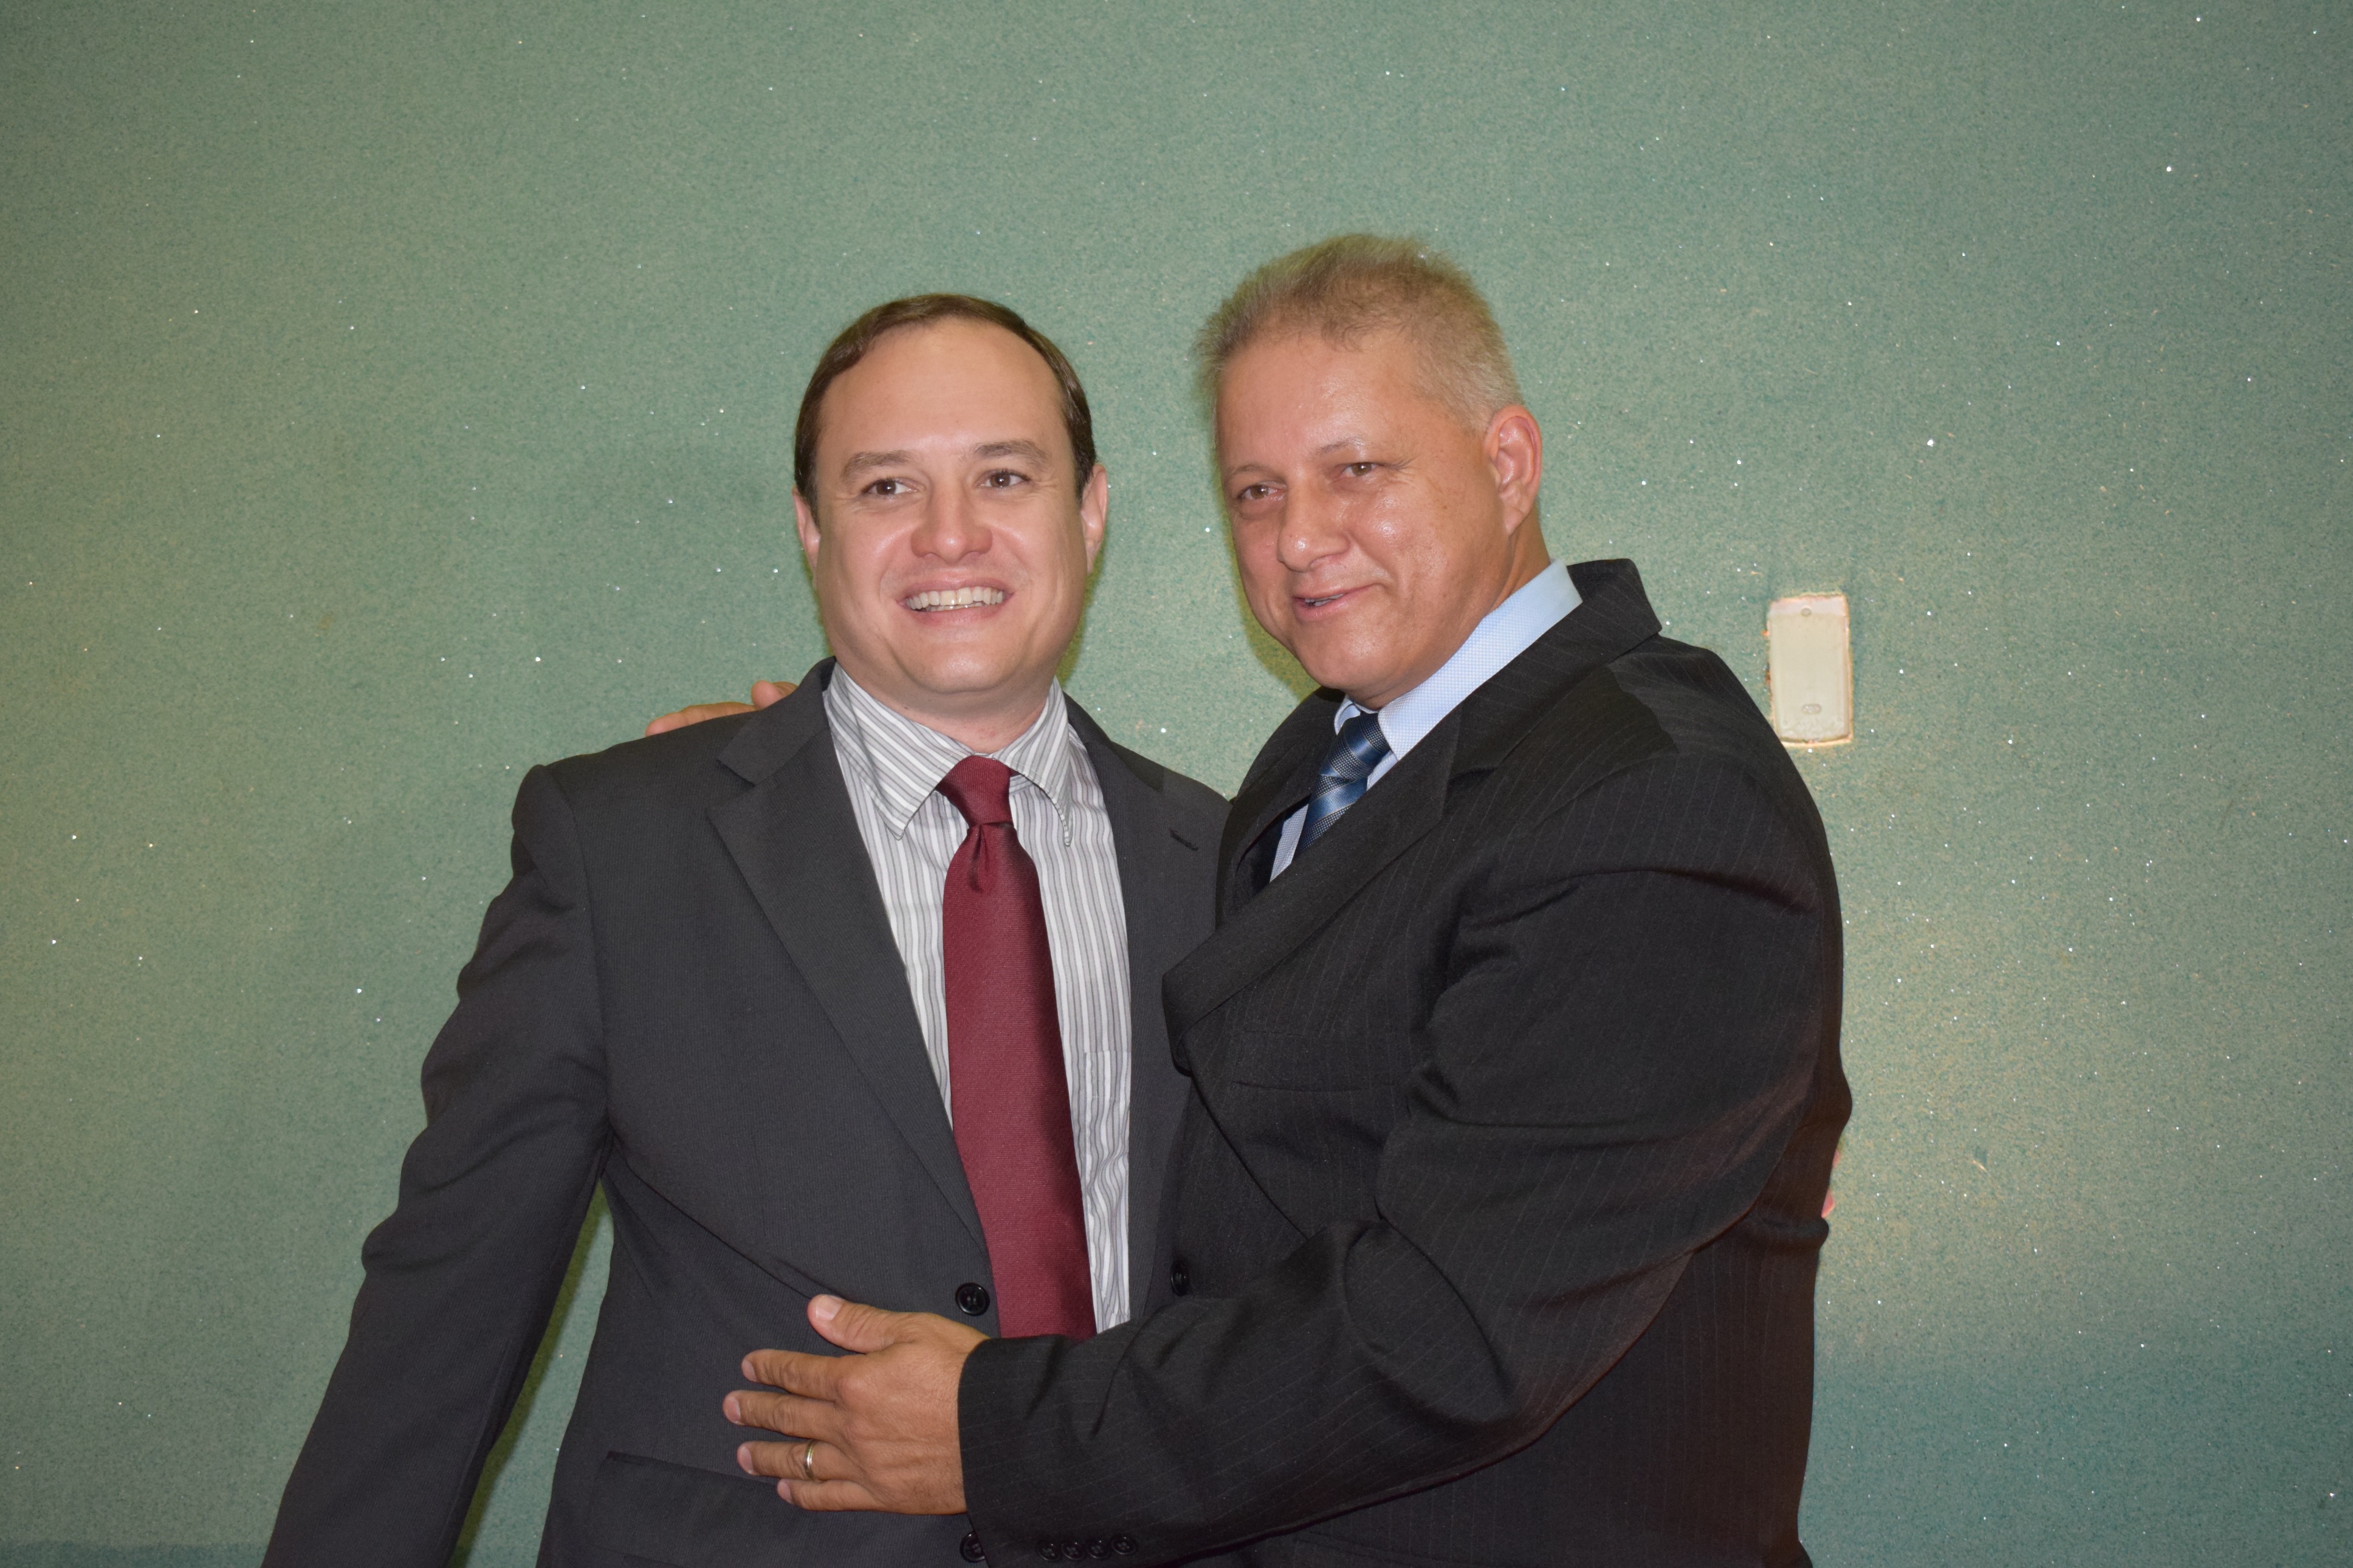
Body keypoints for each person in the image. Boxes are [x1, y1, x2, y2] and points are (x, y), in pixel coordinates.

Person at [710, 236, 1851, 1567]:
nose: (1300, 539)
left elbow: (1450, 1333)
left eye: (1356, 470)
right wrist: (805, 781)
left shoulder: (1651, 801)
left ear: (1507, 462)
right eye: (1255, 493)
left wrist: (989, 1429)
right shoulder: (1328, 759)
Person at [261, 295, 1226, 1565]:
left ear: (1089, 511)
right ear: (812, 529)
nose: (950, 533)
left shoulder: (1234, 868)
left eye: (1005, 475)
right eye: (886, 486)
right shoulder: (623, 849)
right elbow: (445, 1315)